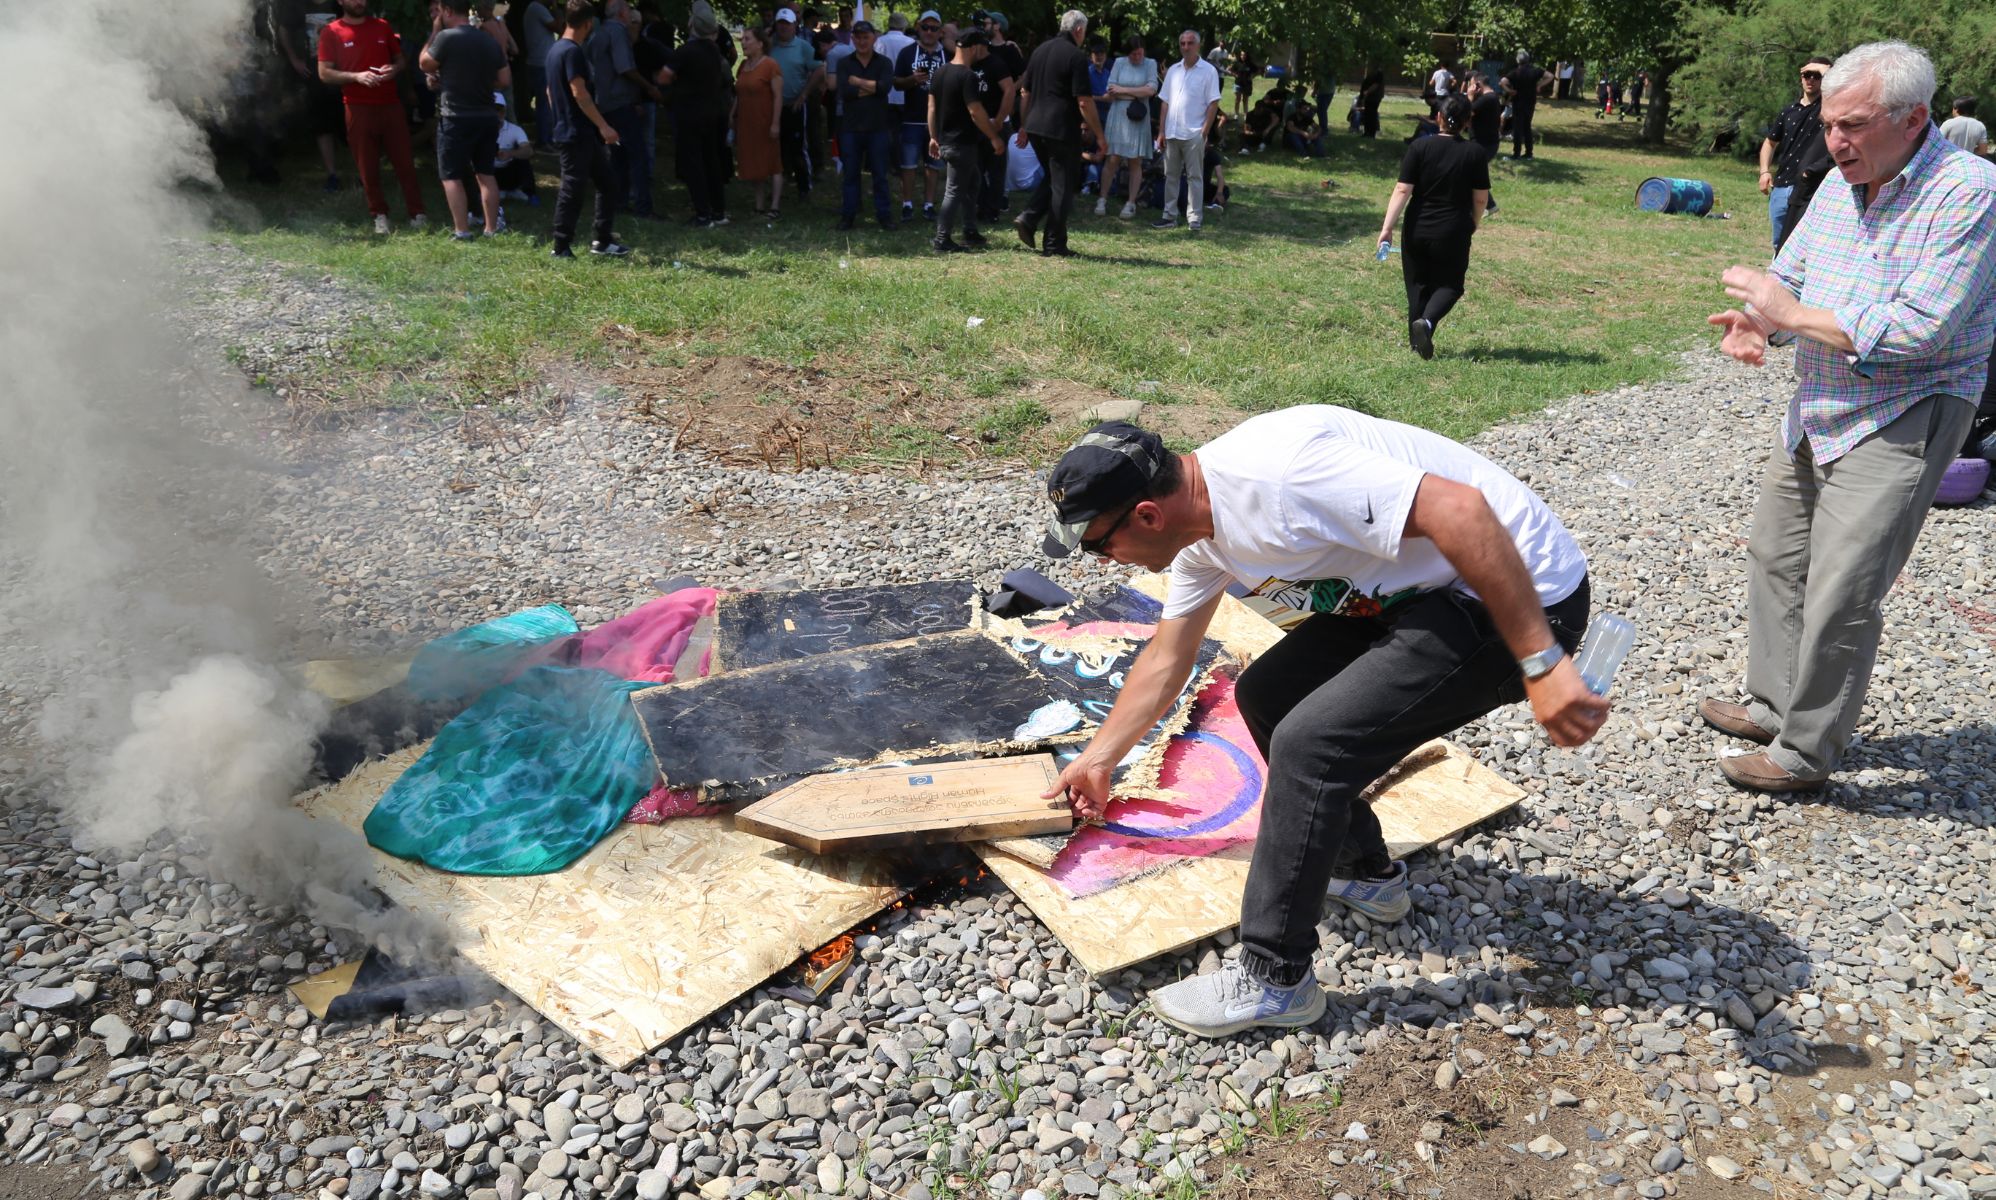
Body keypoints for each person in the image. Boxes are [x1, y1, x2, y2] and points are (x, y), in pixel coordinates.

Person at [1034, 413, 1604, 1038]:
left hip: (1519, 595)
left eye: (1097, 545)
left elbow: (1465, 512)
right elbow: (1167, 658)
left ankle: (1275, 979)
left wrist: (1543, 662)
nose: (1102, 562)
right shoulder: (1199, 534)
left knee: (1312, 744)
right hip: (1411, 588)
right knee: (1268, 695)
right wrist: (1098, 758)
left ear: (1146, 515)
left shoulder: (1279, 477)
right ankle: (1363, 872)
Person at [1703, 40, 1996, 793]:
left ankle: (1805, 752)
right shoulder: (1842, 179)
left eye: (1854, 125)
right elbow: (1792, 272)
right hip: (1819, 402)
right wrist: (1761, 324)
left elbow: (1922, 328)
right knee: (1775, 555)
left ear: (1914, 118)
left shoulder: (1971, 190)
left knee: (1844, 587)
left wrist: (1791, 314)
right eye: (1830, 123)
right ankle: (1772, 704)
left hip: (1907, 406)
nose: (1835, 141)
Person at [1377, 96, 1490, 360]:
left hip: (1417, 227)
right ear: (1467, 121)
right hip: (1453, 228)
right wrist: (1473, 223)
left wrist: (1387, 228)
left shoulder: (1419, 147)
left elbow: (1403, 189)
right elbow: (1481, 198)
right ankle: (1425, 325)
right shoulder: (1474, 153)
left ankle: (1417, 345)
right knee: (1450, 285)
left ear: (1438, 117)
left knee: (1417, 286)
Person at [316, 0, 427, 235]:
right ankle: (379, 215)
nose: (360, 2)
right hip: (357, 107)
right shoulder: (331, 31)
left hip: (390, 104)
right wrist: (357, 77)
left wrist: (394, 70)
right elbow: (324, 73)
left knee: (404, 161)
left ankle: (417, 213)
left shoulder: (382, 26)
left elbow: (401, 60)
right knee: (367, 166)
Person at [1014, 10, 1105, 257]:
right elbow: (1084, 102)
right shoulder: (1075, 57)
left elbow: (1025, 92)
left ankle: (1029, 218)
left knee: (1055, 179)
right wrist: (1099, 135)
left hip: (1035, 125)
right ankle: (1054, 243)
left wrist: (1024, 124)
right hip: (1060, 128)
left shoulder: (1040, 50)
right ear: (1078, 30)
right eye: (1084, 31)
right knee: (1063, 185)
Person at [422, 0, 511, 242]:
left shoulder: (446, 37)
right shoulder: (488, 40)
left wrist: (434, 29)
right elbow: (504, 79)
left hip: (456, 118)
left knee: (451, 175)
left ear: (448, 11)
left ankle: (462, 231)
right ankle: (491, 229)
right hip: (486, 116)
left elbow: (424, 63)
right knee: (486, 173)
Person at [544, 0, 628, 258]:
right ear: (589, 23)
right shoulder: (573, 52)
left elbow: (549, 91)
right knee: (572, 188)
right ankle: (560, 246)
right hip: (576, 133)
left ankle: (602, 240)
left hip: (577, 131)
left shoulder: (554, 49)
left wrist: (558, 115)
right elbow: (579, 93)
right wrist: (603, 126)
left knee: (607, 182)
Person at [929, 27, 1005, 252]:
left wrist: (933, 137)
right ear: (974, 48)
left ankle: (970, 231)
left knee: (973, 182)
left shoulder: (940, 72)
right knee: (954, 190)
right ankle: (942, 239)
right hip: (962, 143)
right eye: (981, 47)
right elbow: (975, 111)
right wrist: (994, 137)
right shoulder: (967, 76)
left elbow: (931, 107)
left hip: (946, 142)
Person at [656, 2, 730, 226]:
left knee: (693, 164)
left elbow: (664, 77)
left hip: (689, 114)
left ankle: (702, 214)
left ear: (692, 25)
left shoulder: (686, 51)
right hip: (711, 113)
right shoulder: (714, 51)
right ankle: (718, 211)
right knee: (711, 161)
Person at [1148, 31, 1219, 231]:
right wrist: (1161, 131)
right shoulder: (1173, 70)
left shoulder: (1208, 71)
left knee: (1195, 177)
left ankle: (1194, 218)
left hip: (1194, 133)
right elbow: (1165, 102)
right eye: (1182, 43)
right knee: (1170, 175)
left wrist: (1204, 132)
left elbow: (1213, 104)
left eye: (1190, 43)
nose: (1185, 47)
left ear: (1198, 45)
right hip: (1172, 132)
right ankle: (1169, 215)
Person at [1758, 56, 1830, 249]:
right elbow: (1770, 142)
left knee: (1801, 244)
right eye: (1807, 74)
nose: (1811, 79)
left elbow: (1841, 92)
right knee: (1778, 242)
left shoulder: (1828, 108)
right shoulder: (1789, 110)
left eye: (1817, 75)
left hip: (1810, 187)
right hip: (1782, 186)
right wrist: (1764, 171)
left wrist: (1827, 73)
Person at [834, 21, 897, 230]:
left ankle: (884, 215)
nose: (861, 41)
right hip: (851, 128)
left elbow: (884, 88)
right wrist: (871, 87)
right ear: (852, 39)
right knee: (850, 175)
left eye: (865, 37)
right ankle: (848, 215)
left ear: (874, 38)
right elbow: (845, 92)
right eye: (858, 37)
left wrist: (858, 82)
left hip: (878, 127)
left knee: (880, 174)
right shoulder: (844, 63)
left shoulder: (884, 63)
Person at [894, 12, 949, 221]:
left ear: (940, 32)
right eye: (925, 27)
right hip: (912, 117)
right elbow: (896, 83)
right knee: (908, 164)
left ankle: (928, 205)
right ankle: (907, 204)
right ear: (918, 27)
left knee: (933, 165)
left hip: (938, 120)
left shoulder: (948, 54)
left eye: (934, 29)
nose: (929, 32)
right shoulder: (907, 53)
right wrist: (912, 79)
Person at [1095, 35, 1155, 218]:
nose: (1137, 57)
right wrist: (1136, 93)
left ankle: (1130, 202)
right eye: (1133, 54)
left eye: (1139, 53)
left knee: (1135, 161)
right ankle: (1102, 199)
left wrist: (1124, 90)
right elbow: (1111, 89)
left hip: (1138, 118)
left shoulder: (1150, 63)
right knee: (1112, 158)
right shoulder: (1120, 62)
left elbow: (1151, 90)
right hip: (1118, 117)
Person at [769, 8, 822, 201]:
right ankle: (777, 187)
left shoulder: (803, 46)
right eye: (780, 23)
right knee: (775, 148)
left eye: (787, 23)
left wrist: (804, 94)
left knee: (798, 148)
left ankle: (804, 187)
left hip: (795, 105)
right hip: (772, 106)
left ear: (794, 26)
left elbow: (819, 69)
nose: (783, 27)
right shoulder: (768, 46)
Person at [735, 26, 786, 218]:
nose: (743, 42)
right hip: (746, 122)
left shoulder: (770, 65)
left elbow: (778, 96)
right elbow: (738, 95)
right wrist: (733, 116)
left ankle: (774, 206)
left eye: (747, 39)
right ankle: (759, 205)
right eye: (742, 39)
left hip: (765, 121)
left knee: (772, 162)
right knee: (754, 162)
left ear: (760, 43)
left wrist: (775, 123)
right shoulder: (742, 65)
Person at [491, 92, 538, 202]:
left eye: (498, 109)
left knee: (523, 161)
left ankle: (528, 192)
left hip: (508, 171)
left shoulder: (515, 129)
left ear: (504, 112)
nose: (496, 113)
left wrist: (510, 153)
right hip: (488, 171)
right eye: (492, 109)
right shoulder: (479, 129)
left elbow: (528, 151)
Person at [1465, 72, 1501, 214]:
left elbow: (1466, 113)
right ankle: (1489, 205)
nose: (1470, 87)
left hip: (1484, 144)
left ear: (1478, 85)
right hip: (1483, 142)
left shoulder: (1487, 99)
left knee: (1471, 173)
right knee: (1473, 173)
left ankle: (1489, 205)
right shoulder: (1490, 98)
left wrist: (1469, 96)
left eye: (1472, 84)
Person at [1502, 51, 1544, 158]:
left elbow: (1502, 81)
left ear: (1518, 61)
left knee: (1517, 128)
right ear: (1528, 60)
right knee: (1527, 127)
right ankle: (1529, 153)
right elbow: (1550, 76)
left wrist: (1509, 91)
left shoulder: (1515, 72)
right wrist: (1539, 85)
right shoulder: (1535, 71)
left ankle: (1516, 153)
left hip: (1518, 102)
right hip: (1530, 102)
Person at [1358, 65, 1384, 139]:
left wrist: (1367, 92)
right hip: (1369, 97)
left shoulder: (1379, 72)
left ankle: (1371, 133)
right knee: (1367, 114)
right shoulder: (1372, 72)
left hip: (1374, 97)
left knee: (1372, 114)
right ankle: (1367, 132)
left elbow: (1376, 84)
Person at [1229, 46, 1255, 120]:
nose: (1243, 56)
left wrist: (1252, 76)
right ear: (1240, 55)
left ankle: (1245, 114)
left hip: (1247, 84)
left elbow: (1257, 71)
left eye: (1244, 55)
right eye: (1241, 55)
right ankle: (1236, 114)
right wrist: (1235, 75)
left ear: (1247, 56)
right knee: (1237, 100)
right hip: (1238, 84)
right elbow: (1230, 70)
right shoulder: (1237, 63)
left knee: (1245, 100)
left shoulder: (1250, 64)